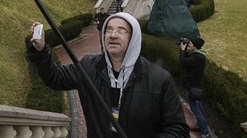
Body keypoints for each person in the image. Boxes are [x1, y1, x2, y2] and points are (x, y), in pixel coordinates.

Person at [26, 13, 189, 137]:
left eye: (121, 30)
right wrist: (41, 50)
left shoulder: (159, 79)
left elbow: (178, 129)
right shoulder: (88, 67)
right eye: (109, 29)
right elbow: (55, 78)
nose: (112, 34)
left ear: (133, 38)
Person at [179, 37, 211, 138]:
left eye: (191, 44)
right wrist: (185, 49)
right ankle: (200, 124)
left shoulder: (198, 57)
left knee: (195, 108)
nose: (189, 45)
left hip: (193, 87)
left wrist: (182, 50)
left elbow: (183, 62)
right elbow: (187, 60)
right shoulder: (197, 55)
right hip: (195, 86)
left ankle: (205, 132)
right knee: (197, 105)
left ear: (196, 46)